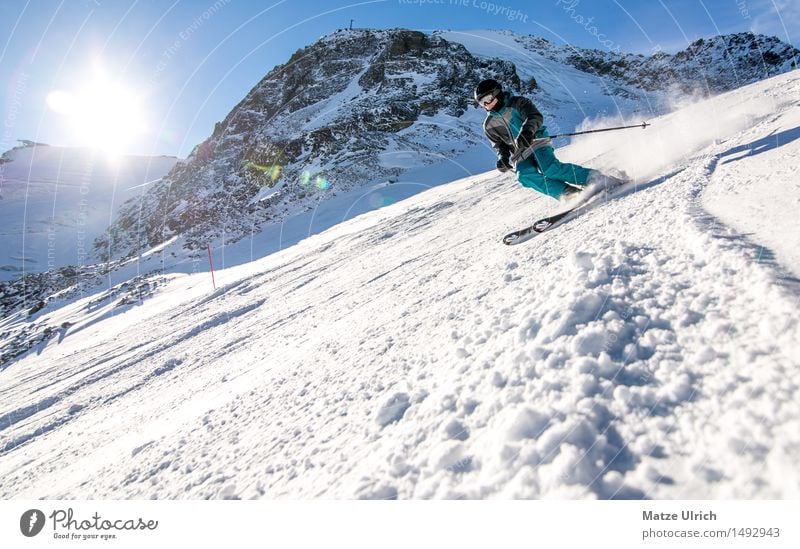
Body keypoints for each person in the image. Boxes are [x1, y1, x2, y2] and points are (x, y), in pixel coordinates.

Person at [475, 78, 616, 201]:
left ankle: (596, 179)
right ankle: (569, 194)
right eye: (482, 103)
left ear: (497, 92)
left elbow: (535, 117)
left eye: (487, 99)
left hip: (536, 141)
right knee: (524, 176)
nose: (486, 105)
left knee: (549, 168)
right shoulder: (488, 124)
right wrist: (503, 159)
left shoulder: (518, 103)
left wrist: (527, 132)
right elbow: (500, 145)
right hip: (520, 153)